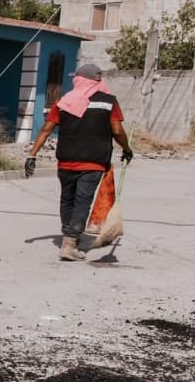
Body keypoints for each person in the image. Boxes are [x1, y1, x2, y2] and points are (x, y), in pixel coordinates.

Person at [25, 61, 133, 261]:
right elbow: (117, 130)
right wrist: (127, 149)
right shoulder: (109, 101)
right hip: (93, 161)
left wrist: (32, 154)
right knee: (82, 201)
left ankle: (69, 235)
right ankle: (70, 242)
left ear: (80, 80)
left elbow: (46, 129)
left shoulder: (65, 101)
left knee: (67, 199)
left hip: (66, 160)